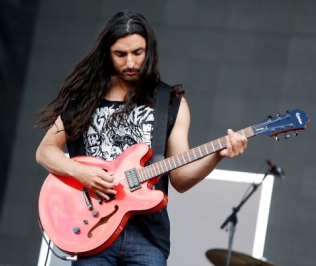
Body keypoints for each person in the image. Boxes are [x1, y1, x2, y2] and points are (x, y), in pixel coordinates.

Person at [34, 10, 247, 266]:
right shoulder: (84, 99)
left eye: (138, 52)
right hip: (93, 229)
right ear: (107, 53)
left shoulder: (169, 102)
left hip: (146, 237)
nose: (131, 63)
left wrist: (217, 155)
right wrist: (81, 172)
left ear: (149, 51)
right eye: (120, 54)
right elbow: (45, 151)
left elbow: (180, 179)